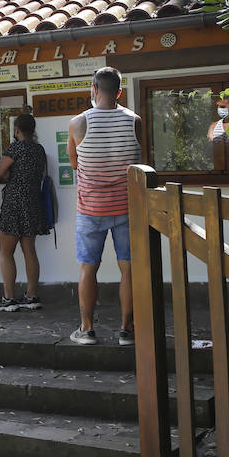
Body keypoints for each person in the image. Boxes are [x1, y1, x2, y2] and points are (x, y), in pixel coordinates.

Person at [67, 66, 143, 345]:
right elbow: (139, 161)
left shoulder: (78, 123)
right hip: (126, 208)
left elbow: (75, 163)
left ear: (94, 89)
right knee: (129, 269)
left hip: (90, 209)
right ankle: (127, 330)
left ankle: (86, 330)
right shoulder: (135, 121)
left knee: (88, 268)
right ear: (120, 92)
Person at [0, 113, 50, 311]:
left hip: (14, 203)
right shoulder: (39, 149)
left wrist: (6, 171)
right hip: (33, 201)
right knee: (30, 251)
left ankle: (8, 299)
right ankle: (32, 296)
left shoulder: (15, 148)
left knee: (6, 252)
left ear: (16, 130)